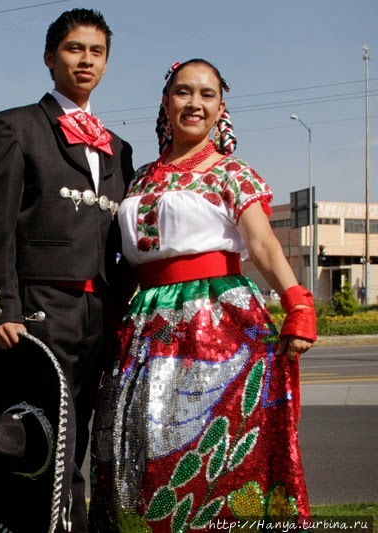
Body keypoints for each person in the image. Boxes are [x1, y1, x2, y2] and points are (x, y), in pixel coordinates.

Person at [89, 59, 317, 531]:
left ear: (220, 109)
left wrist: (297, 302)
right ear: (166, 102)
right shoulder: (140, 178)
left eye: (207, 94)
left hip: (216, 326)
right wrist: (110, 315)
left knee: (215, 457)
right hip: (146, 327)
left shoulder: (233, 173)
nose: (194, 103)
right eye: (183, 92)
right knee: (140, 453)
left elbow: (262, 245)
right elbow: (133, 261)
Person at [0, 8, 135, 532]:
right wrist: (2, 308)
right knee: (49, 440)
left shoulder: (120, 148)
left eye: (96, 52)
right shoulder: (14, 127)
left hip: (100, 313)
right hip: (42, 310)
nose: (85, 60)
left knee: (84, 440)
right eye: (74, 49)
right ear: (50, 58)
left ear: (106, 64)